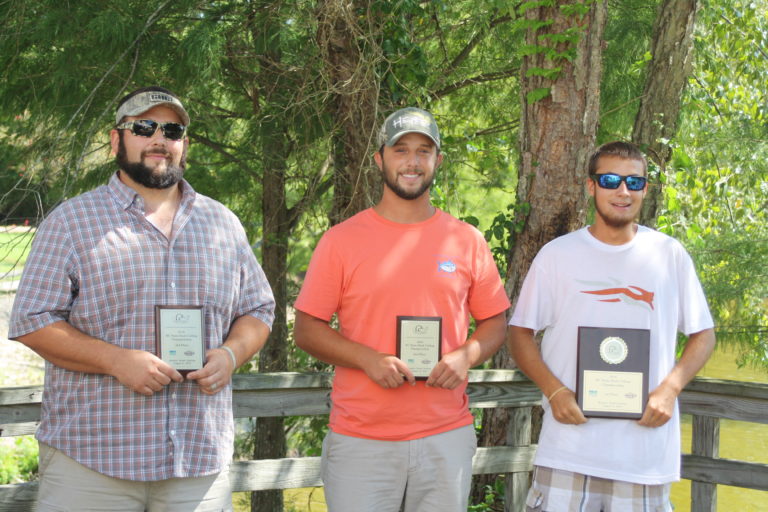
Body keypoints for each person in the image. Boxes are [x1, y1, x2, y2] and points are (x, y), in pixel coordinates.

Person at [9, 86, 275, 512]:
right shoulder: (71, 222)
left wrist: (230, 353)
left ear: (183, 144)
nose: (159, 139)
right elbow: (32, 319)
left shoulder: (222, 223)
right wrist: (115, 360)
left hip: (197, 462)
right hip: (93, 463)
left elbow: (258, 309)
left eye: (172, 129)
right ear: (118, 139)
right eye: (144, 127)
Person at [293, 107, 510, 512]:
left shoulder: (467, 241)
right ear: (380, 159)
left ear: (437, 161)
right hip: (362, 438)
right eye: (400, 150)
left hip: (446, 434)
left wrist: (468, 354)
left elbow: (495, 322)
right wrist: (366, 359)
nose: (412, 162)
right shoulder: (342, 241)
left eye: (424, 151)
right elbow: (306, 328)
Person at [508, 141, 716, 512]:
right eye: (610, 180)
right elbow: (520, 332)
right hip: (568, 451)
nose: (623, 191)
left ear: (645, 189)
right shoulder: (557, 256)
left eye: (634, 183)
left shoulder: (669, 255)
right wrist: (554, 391)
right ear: (591, 187)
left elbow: (703, 334)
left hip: (643, 457)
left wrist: (670, 389)